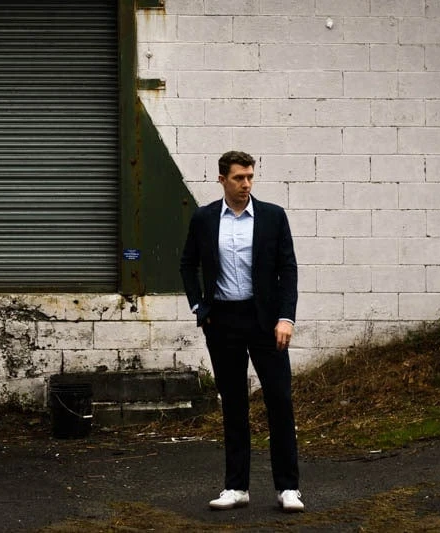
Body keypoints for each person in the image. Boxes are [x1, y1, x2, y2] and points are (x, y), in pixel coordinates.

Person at [179, 150, 303, 512]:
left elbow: (288, 270)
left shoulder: (272, 216)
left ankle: (288, 488)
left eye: (250, 176)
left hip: (266, 322)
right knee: (233, 404)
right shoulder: (203, 219)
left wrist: (286, 318)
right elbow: (188, 264)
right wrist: (199, 306)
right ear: (222, 180)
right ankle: (236, 488)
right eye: (238, 177)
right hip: (223, 322)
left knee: (279, 400)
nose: (246, 184)